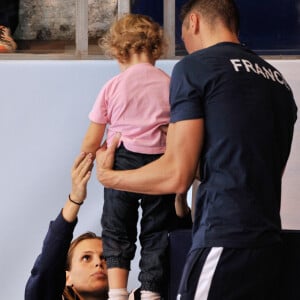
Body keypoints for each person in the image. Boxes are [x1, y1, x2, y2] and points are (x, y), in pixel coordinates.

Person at [95, 0, 298, 299]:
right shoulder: (279, 84)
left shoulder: (195, 67)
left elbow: (177, 176)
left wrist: (109, 177)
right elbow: (263, 169)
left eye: (183, 35)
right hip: (269, 245)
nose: (185, 43)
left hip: (222, 239)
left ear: (194, 22)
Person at [80, 14, 177, 300]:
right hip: (160, 162)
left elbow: (91, 140)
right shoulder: (170, 84)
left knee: (116, 226)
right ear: (156, 49)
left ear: (119, 51)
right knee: (157, 229)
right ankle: (150, 291)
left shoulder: (113, 85)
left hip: (121, 160)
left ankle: (117, 292)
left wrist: (94, 157)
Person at [24, 152, 192, 300]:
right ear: (67, 278)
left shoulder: (146, 296)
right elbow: (45, 270)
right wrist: (75, 199)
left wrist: (181, 205)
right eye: (86, 258)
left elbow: (182, 259)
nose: (98, 263)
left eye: (105, 257)